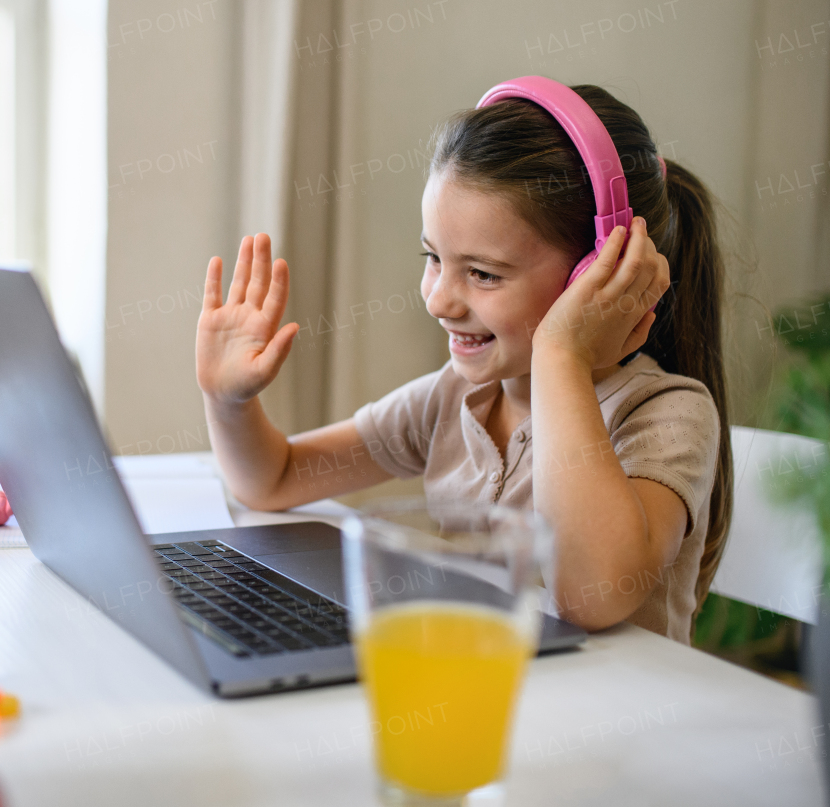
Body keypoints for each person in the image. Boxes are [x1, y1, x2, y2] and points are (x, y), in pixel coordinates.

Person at [194, 81, 731, 644]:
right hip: (484, 695)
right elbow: (275, 480)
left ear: (600, 273)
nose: (438, 299)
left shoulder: (665, 414)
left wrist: (561, 355)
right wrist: (227, 400)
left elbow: (589, 596)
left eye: (483, 273)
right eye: (433, 258)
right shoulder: (452, 400)